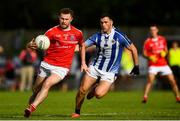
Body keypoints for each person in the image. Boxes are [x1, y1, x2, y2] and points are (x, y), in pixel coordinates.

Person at [71, 13, 140, 118]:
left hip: (110, 72)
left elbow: (133, 49)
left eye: (106, 22)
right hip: (95, 67)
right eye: (101, 22)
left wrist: (136, 66)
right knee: (82, 90)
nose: (103, 24)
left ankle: (94, 90)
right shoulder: (97, 36)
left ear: (111, 22)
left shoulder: (119, 36)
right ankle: (77, 112)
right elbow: (83, 46)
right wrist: (81, 61)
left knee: (99, 94)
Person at [23, 8, 88, 118]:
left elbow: (82, 46)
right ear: (59, 18)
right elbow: (38, 43)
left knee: (47, 84)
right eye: (62, 18)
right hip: (47, 64)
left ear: (71, 19)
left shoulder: (78, 33)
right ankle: (28, 109)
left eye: (66, 19)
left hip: (62, 67)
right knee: (35, 90)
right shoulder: (51, 31)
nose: (64, 21)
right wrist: (30, 45)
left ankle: (32, 107)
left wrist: (83, 62)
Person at [142, 25, 180, 103]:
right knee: (150, 80)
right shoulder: (148, 41)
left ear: (157, 30)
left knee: (172, 81)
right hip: (153, 65)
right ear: (150, 31)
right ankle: (145, 97)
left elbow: (166, 50)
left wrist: (164, 53)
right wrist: (150, 57)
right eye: (151, 30)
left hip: (163, 64)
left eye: (154, 30)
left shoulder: (162, 39)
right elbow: (144, 53)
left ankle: (178, 97)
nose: (153, 31)